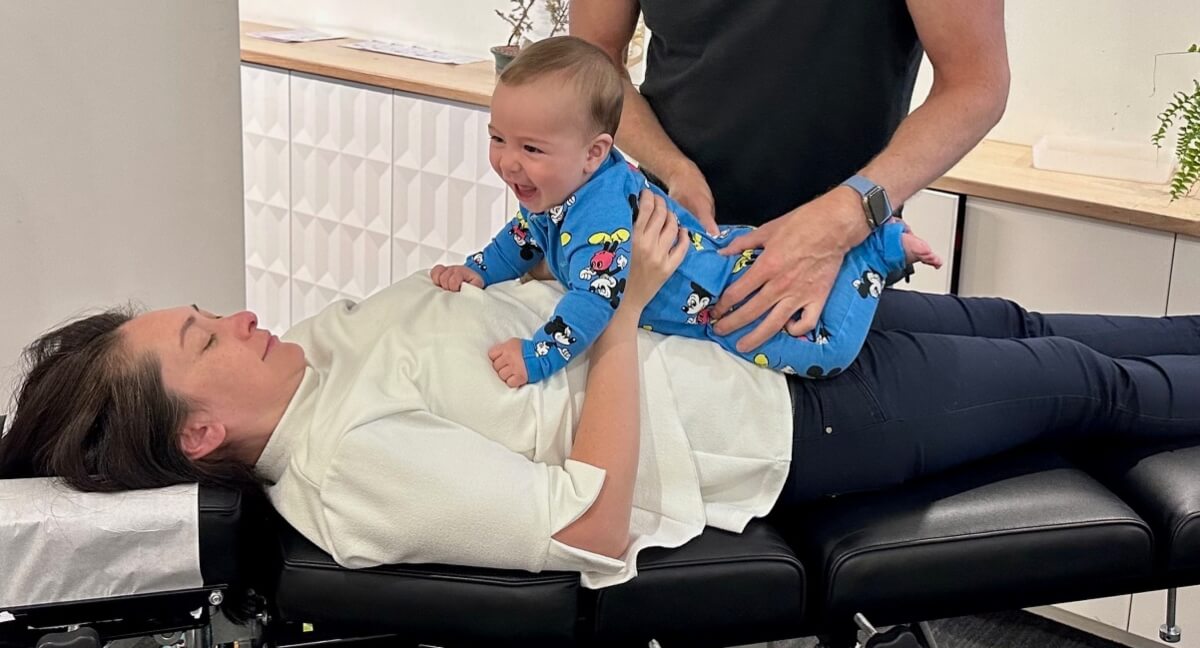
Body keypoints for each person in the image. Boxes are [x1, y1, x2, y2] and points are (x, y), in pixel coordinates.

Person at [3, 194, 1200, 590]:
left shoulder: (322, 349)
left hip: (755, 317)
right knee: (1089, 384)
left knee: (1038, 326)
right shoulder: (344, 469)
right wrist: (625, 318)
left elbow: (512, 290)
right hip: (791, 415)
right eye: (210, 334)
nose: (243, 314)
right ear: (202, 427)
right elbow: (587, 529)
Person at [431, 37, 942, 387]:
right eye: (497, 138)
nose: (507, 161)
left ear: (594, 151)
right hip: (719, 253)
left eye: (531, 149)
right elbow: (524, 237)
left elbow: (593, 303)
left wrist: (537, 356)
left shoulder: (600, 221)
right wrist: (476, 270)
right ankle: (879, 249)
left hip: (729, 299)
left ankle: (875, 251)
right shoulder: (568, 186)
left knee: (825, 355)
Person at [570, 0, 1011, 354]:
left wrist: (841, 219)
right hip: (674, 249)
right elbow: (594, 55)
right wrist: (672, 166)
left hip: (839, 261)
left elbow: (975, 84)